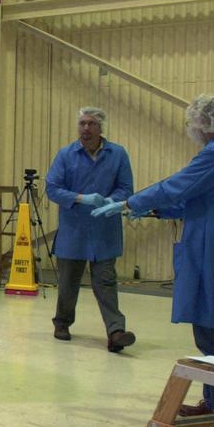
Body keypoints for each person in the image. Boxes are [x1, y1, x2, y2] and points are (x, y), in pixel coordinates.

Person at [94, 94, 214, 414]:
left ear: (204, 124)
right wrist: (152, 209)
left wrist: (132, 203)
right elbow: (194, 197)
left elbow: (178, 186)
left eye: (192, 123)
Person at [45, 106, 136, 352]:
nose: (86, 128)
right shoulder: (66, 155)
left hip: (104, 230)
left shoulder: (117, 154)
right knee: (68, 283)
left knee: (106, 283)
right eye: (82, 123)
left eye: (91, 124)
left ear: (100, 127)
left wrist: (112, 201)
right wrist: (80, 198)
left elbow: (126, 188)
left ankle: (116, 332)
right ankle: (62, 323)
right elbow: (52, 187)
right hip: (73, 230)